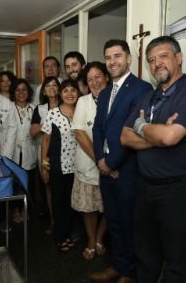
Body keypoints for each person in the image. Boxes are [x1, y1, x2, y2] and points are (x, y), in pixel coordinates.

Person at [120, 36, 186, 282]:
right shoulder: (150, 96)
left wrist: (143, 125)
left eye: (163, 56)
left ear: (179, 58)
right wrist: (155, 133)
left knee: (175, 261)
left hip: (178, 192)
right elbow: (125, 137)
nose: (157, 63)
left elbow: (169, 138)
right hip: (145, 187)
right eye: (151, 60)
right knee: (145, 256)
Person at [90, 39, 152, 283]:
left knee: (129, 223)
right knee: (114, 222)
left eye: (117, 56)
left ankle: (130, 272)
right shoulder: (105, 92)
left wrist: (112, 164)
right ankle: (118, 265)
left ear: (128, 58)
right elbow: (97, 129)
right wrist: (100, 160)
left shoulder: (141, 88)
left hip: (127, 170)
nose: (112, 62)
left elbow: (134, 131)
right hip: (106, 168)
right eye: (108, 57)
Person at [71, 62, 109, 261]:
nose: (94, 82)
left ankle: (101, 237)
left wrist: (107, 163)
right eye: (90, 79)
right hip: (88, 163)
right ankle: (91, 241)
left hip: (113, 165)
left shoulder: (115, 98)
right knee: (89, 208)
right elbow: (79, 132)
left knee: (109, 207)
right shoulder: (83, 102)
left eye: (98, 77)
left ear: (107, 77)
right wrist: (99, 160)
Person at [41, 79, 80, 252]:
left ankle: (68, 232)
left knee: (72, 203)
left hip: (79, 166)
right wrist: (44, 164)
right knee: (59, 202)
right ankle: (59, 236)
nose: (70, 94)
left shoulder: (82, 111)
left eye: (73, 90)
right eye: (65, 91)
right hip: (58, 166)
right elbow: (46, 140)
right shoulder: (53, 114)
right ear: (60, 93)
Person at [30, 76, 61, 234]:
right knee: (48, 187)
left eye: (55, 85)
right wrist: (48, 122)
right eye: (48, 86)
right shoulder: (40, 109)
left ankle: (64, 222)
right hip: (46, 153)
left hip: (65, 153)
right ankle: (53, 221)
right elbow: (33, 132)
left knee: (64, 188)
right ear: (43, 90)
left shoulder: (67, 104)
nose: (52, 88)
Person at [10, 78, 37, 223]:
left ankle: (25, 210)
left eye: (24, 90)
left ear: (29, 92)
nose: (21, 93)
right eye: (18, 90)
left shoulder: (34, 109)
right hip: (13, 153)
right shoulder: (8, 108)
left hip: (29, 152)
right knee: (15, 184)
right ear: (13, 92)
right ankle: (15, 209)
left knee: (28, 184)